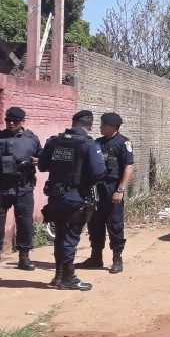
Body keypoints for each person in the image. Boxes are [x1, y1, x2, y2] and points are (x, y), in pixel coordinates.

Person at [37, 110, 107, 291]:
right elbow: (99, 172)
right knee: (69, 237)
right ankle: (68, 278)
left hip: (55, 196)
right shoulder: (89, 144)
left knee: (60, 235)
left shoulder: (54, 141)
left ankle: (59, 275)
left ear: (73, 122)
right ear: (90, 126)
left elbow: (42, 165)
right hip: (75, 197)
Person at [0, 106, 43, 272]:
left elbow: (42, 157)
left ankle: (24, 257)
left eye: (15, 121)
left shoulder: (32, 139)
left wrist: (38, 161)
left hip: (24, 188)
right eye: (8, 120)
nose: (10, 123)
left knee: (25, 223)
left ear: (23, 121)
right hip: (2, 187)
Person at [82, 112, 134, 274]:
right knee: (94, 223)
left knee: (115, 224)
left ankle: (117, 259)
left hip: (113, 188)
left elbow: (128, 167)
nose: (100, 127)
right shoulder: (97, 143)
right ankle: (96, 257)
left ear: (113, 127)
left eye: (103, 125)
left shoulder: (122, 143)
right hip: (96, 189)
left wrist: (120, 189)